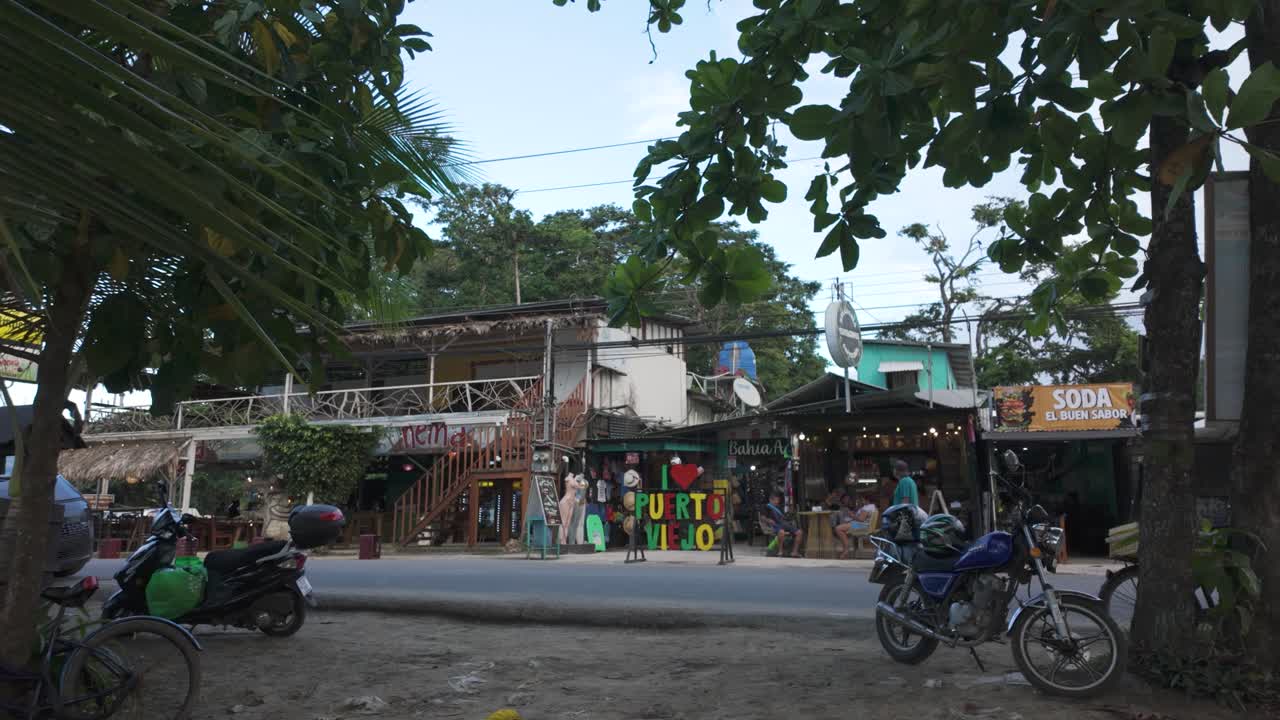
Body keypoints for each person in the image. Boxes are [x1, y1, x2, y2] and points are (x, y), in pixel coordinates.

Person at [762, 491, 804, 558]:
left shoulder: (779, 507)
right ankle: (780, 551)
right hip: (775, 525)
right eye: (775, 500)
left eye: (778, 500)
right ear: (770, 500)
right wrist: (768, 520)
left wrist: (790, 513)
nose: (777, 502)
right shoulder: (766, 507)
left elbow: (785, 516)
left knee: (799, 532)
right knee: (781, 532)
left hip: (784, 523)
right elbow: (763, 517)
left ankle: (794, 552)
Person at [834, 495, 877, 559]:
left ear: (867, 500)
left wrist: (852, 515)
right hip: (864, 525)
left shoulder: (867, 508)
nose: (862, 501)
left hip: (861, 526)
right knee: (843, 525)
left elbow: (861, 519)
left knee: (838, 529)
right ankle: (847, 547)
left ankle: (846, 549)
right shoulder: (873, 507)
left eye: (862, 500)